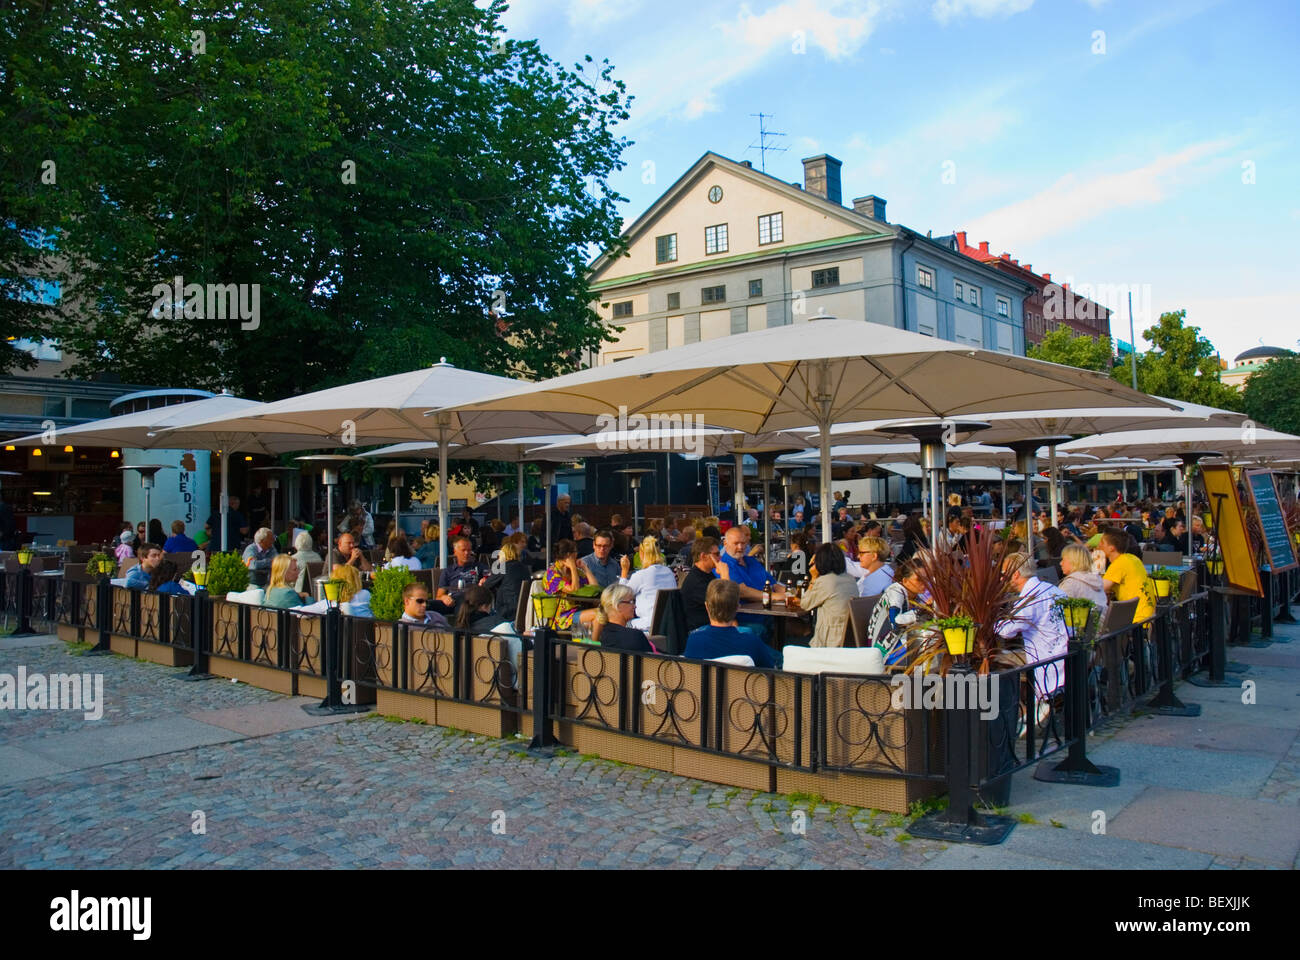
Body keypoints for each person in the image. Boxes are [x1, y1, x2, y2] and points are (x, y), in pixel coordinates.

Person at [996, 553, 1069, 699]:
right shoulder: (1052, 589)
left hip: (1047, 660)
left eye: (1004, 573)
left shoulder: (1030, 598)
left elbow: (1006, 631)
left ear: (1015, 574)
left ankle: (1021, 709)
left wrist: (991, 621)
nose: (1001, 578)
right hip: (1064, 655)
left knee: (997, 662)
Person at [683, 580, 777, 668]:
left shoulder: (694, 641)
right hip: (741, 685)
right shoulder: (752, 642)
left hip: (707, 686)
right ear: (737, 608)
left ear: (706, 606)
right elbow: (771, 674)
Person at [716, 525, 785, 637]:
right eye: (736, 543)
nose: (740, 547)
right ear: (725, 544)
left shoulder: (752, 561)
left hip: (769, 615)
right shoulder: (724, 565)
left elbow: (774, 584)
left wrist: (792, 594)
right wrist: (776, 596)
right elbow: (743, 592)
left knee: (798, 626)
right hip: (746, 619)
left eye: (743, 543)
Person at [797, 543, 858, 647]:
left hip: (829, 640)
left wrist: (813, 577)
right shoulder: (850, 579)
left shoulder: (825, 581)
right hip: (849, 637)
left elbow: (805, 604)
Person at [618, 535, 678, 632]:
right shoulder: (669, 572)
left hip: (646, 625)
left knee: (619, 621)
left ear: (641, 553)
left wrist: (624, 571)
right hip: (668, 625)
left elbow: (620, 596)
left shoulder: (641, 575)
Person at [866, 558, 926, 650]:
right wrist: (921, 611)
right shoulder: (895, 592)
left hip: (902, 639)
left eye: (926, 579)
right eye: (919, 580)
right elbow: (896, 621)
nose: (924, 583)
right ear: (905, 581)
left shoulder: (915, 595)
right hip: (884, 647)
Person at [1099, 529, 1155, 623]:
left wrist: (1097, 559)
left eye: (1102, 543)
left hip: (1136, 621)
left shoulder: (1119, 564)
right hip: (1149, 616)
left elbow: (1099, 589)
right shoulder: (1132, 558)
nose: (1098, 546)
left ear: (1111, 548)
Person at [541, 538, 590, 632]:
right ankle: (584, 643)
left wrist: (585, 568)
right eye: (576, 552)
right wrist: (572, 567)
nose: (577, 554)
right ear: (569, 555)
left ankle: (584, 642)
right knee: (597, 615)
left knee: (601, 615)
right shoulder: (552, 574)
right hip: (562, 619)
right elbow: (574, 589)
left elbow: (594, 587)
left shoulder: (575, 572)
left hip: (579, 611)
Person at [590, 583, 655, 652]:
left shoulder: (604, 635)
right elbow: (653, 661)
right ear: (617, 606)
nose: (635, 606)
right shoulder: (634, 636)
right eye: (631, 601)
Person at [436, 535, 488, 611]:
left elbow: (491, 577)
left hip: (472, 600)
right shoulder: (448, 571)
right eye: (463, 550)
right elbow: (438, 596)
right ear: (455, 552)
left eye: (469, 550)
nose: (466, 553)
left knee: (464, 599)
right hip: (453, 602)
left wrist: (486, 579)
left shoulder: (480, 567)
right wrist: (444, 597)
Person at [679, 537, 720, 632]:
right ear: (703, 556)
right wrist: (724, 574)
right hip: (700, 629)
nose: (720, 558)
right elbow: (723, 604)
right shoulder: (696, 581)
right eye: (716, 554)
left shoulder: (708, 574)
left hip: (711, 625)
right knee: (754, 630)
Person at [491, 536, 533, 622]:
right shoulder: (524, 568)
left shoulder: (503, 567)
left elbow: (486, 585)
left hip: (506, 611)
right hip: (524, 609)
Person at [1059, 543, 1108, 616]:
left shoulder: (1070, 584)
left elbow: (1058, 613)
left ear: (1074, 561)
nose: (1060, 563)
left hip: (1084, 626)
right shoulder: (1097, 579)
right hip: (1103, 623)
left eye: (1063, 560)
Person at [290, 530, 323, 595]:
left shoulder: (293, 559)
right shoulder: (318, 557)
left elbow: (290, 581)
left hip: (298, 592)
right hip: (316, 590)